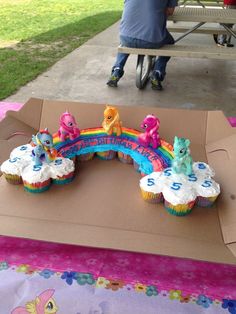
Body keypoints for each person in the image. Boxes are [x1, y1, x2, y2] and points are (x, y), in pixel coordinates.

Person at [106, 0, 178, 91]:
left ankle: (117, 70)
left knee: (124, 43)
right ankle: (157, 73)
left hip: (126, 37)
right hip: (151, 40)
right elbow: (170, 12)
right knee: (170, 42)